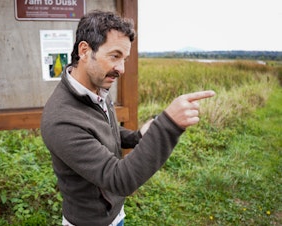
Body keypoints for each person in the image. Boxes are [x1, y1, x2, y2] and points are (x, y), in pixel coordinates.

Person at [41, 10, 215, 226]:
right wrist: (168, 126)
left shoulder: (97, 87)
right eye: (114, 56)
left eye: (124, 58)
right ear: (84, 50)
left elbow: (101, 129)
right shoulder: (61, 120)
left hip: (114, 213)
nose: (121, 69)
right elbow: (118, 180)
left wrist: (136, 136)